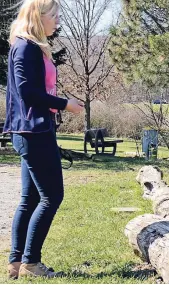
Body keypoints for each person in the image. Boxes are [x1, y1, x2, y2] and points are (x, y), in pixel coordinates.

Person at [3, 0, 84, 279]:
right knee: (52, 196)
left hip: (33, 130)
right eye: (55, 15)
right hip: (32, 132)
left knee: (30, 198)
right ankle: (30, 263)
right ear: (39, 16)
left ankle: (16, 263)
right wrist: (65, 104)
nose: (58, 21)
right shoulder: (26, 47)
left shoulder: (32, 47)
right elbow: (28, 92)